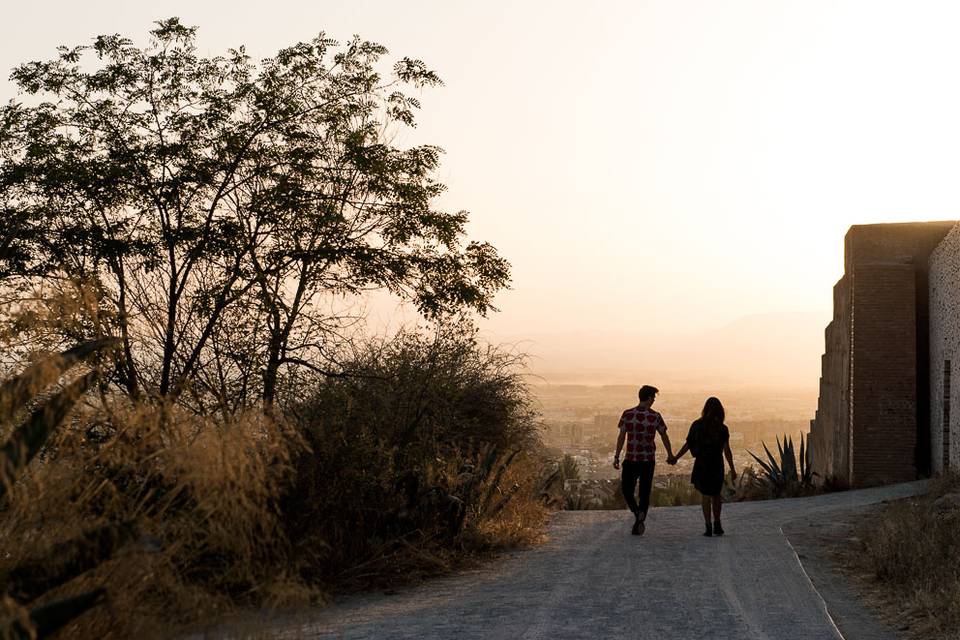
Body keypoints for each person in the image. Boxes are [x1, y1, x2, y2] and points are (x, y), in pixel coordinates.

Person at [668, 397, 737, 537]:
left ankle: (708, 526)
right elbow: (727, 450)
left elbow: (688, 445)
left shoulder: (697, 425)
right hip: (717, 463)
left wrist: (676, 457)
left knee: (705, 496)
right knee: (716, 495)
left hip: (702, 463)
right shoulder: (722, 428)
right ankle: (717, 523)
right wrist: (733, 468)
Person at [613, 385, 674, 535]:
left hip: (631, 458)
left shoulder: (627, 414)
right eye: (653, 398)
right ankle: (640, 515)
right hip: (648, 460)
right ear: (648, 398)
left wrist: (616, 455)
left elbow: (621, 436)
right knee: (644, 493)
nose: (653, 400)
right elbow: (664, 435)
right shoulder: (655, 416)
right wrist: (670, 454)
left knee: (627, 490)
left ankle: (636, 513)